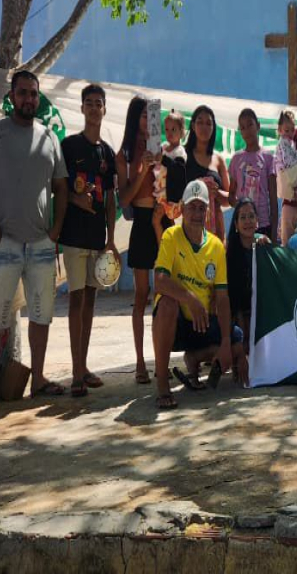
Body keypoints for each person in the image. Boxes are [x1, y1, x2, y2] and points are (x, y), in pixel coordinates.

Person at [0, 70, 68, 410]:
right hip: (3, 244)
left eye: (33, 94)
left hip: (41, 245)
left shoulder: (49, 138)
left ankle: (38, 380)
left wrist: (55, 230)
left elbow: (61, 186)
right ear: (12, 97)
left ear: (38, 99)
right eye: (23, 93)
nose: (28, 99)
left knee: (41, 315)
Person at [151, 179, 237, 409]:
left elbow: (222, 298)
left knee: (238, 345)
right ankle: (162, 384)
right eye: (192, 207)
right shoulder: (171, 236)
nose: (197, 214)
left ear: (207, 211)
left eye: (201, 208)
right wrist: (190, 298)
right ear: (182, 208)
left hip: (202, 323)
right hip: (176, 324)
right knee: (167, 303)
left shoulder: (216, 246)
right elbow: (159, 281)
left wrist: (226, 342)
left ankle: (195, 357)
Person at [59, 84, 119, 397]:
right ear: (82, 108)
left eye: (99, 103)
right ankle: (75, 374)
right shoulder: (69, 146)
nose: (95, 108)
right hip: (73, 236)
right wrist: (74, 199)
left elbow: (110, 199)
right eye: (89, 103)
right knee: (76, 300)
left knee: (91, 302)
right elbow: (58, 188)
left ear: (104, 109)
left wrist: (111, 240)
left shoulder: (107, 154)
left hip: (97, 238)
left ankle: (83, 367)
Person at [116, 96, 160, 385]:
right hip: (142, 222)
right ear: (135, 118)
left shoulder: (160, 147)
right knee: (141, 295)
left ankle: (161, 358)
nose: (148, 120)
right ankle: (141, 362)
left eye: (151, 115)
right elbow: (124, 200)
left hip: (161, 220)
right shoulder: (125, 154)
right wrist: (142, 171)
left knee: (164, 293)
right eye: (143, 115)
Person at [225, 198, 266, 385]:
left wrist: (268, 247)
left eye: (251, 216)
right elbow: (233, 302)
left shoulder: (264, 245)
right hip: (237, 313)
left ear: (257, 221)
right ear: (235, 224)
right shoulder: (229, 253)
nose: (248, 221)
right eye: (243, 217)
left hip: (260, 311)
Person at [229, 108, 277, 243]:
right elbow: (231, 196)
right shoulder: (236, 159)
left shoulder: (268, 158)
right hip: (243, 226)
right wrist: (241, 207)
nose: (247, 130)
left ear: (258, 126)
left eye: (250, 125)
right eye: (243, 127)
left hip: (263, 225)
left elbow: (273, 200)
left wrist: (273, 235)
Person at [185, 105, 230, 235]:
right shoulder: (183, 155)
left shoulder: (219, 159)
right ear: (193, 126)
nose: (204, 127)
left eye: (208, 123)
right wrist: (197, 188)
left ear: (213, 127)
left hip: (216, 230)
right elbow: (175, 194)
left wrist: (216, 193)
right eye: (200, 122)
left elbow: (230, 199)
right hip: (191, 228)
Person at [274, 109, 297, 245]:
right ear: (279, 130)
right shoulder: (283, 143)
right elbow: (289, 160)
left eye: (292, 130)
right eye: (286, 130)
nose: (289, 133)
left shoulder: (290, 143)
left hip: (289, 178)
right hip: (287, 173)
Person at [152, 110, 187, 244]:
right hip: (161, 191)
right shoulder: (164, 147)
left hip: (171, 197)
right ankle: (165, 246)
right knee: (160, 221)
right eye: (167, 129)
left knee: (159, 220)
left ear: (182, 132)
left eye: (173, 129)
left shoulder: (180, 152)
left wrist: (163, 159)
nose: (169, 133)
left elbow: (178, 170)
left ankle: (165, 247)